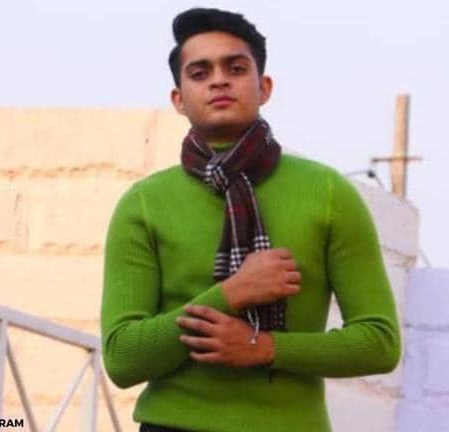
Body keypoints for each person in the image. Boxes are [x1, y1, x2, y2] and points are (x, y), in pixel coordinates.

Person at [100, 7, 401, 432]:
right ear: (178, 99)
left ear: (264, 87)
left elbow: (379, 342)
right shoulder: (145, 204)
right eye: (200, 73)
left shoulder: (328, 193)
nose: (219, 80)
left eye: (236, 68)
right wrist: (234, 291)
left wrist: (263, 347)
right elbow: (122, 358)